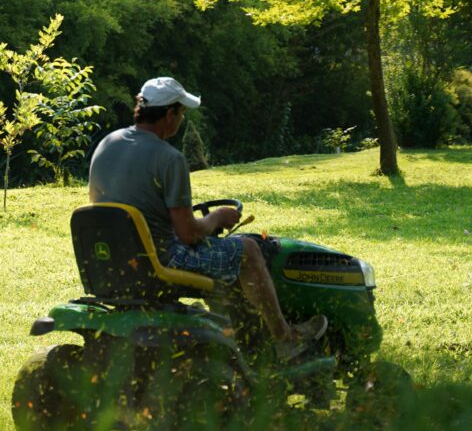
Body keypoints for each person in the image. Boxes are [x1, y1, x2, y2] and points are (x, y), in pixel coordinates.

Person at [88, 76, 327, 361]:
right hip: (161, 262)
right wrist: (217, 217)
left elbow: (114, 210)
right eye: (181, 112)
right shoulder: (169, 158)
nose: (181, 119)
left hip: (114, 262)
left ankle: (239, 338)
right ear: (169, 114)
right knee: (248, 250)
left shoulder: (106, 144)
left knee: (223, 253)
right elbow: (189, 233)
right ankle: (285, 338)